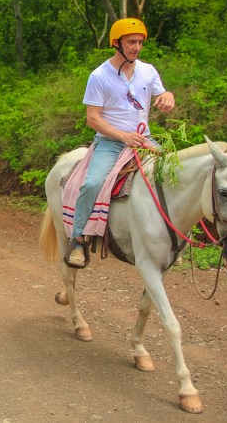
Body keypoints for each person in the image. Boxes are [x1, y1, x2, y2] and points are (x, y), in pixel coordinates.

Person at [67, 18, 175, 268]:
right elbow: (92, 119)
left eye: (139, 42)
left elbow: (162, 93)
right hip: (111, 143)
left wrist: (168, 97)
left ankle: (171, 238)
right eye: (131, 42)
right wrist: (123, 136)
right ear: (116, 43)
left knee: (173, 175)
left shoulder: (148, 71)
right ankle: (79, 238)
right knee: (92, 183)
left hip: (143, 140)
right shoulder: (99, 76)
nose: (136, 47)